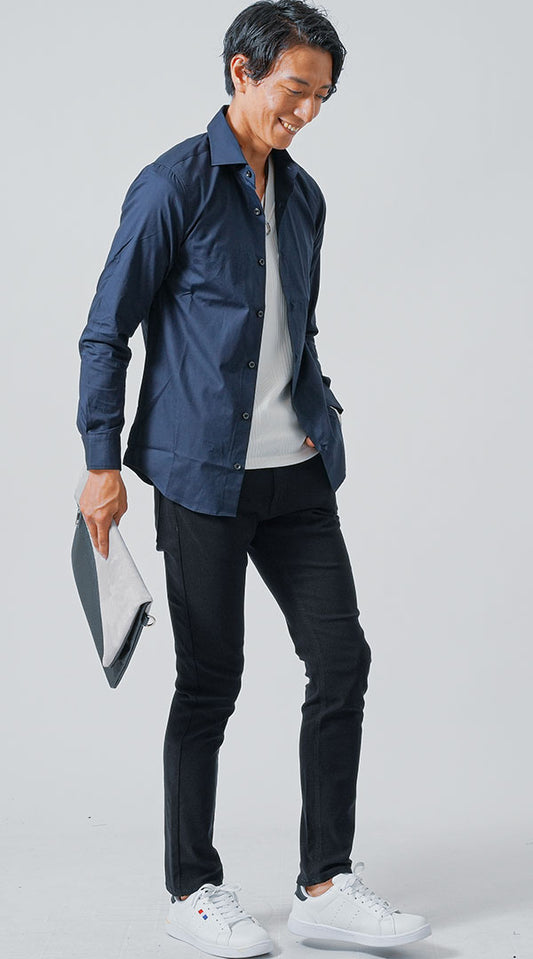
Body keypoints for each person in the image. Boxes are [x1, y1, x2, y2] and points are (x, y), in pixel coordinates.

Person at [76, 1, 432, 955]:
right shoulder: (173, 186)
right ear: (241, 71)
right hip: (201, 477)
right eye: (295, 89)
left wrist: (316, 413)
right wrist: (100, 462)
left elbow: (291, 330)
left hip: (297, 475)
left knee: (342, 662)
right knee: (210, 681)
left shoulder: (304, 197)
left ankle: (324, 882)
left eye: (321, 97)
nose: (306, 112)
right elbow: (106, 332)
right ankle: (191, 887)